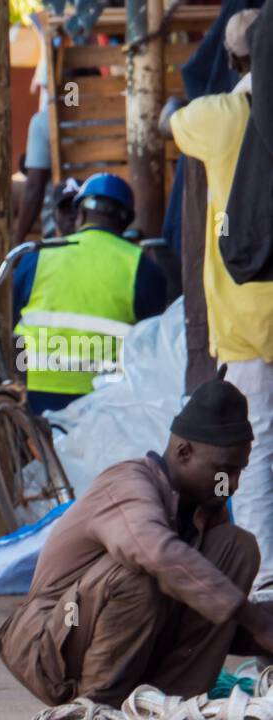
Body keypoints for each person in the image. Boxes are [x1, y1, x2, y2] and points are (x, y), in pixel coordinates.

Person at [0, 378, 273, 711]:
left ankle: (167, 704)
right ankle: (95, 712)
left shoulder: (205, 508)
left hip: (128, 639)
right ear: (184, 452)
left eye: (239, 471)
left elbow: (211, 616)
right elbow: (156, 554)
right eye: (224, 471)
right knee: (141, 572)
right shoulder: (128, 484)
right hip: (52, 646)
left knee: (236, 548)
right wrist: (257, 621)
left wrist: (261, 629)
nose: (233, 484)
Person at [167, 8, 273, 592]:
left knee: (253, 457)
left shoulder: (221, 114)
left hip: (246, 319)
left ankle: (266, 586)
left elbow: (170, 122)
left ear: (234, 60)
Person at [12, 172, 168, 415]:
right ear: (126, 222)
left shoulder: (37, 256)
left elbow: (10, 319)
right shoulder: (142, 268)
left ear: (81, 215)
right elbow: (154, 346)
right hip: (107, 402)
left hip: (35, 394)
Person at [13, 102, 52, 244]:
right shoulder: (116, 112)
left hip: (57, 235)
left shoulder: (44, 121)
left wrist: (18, 240)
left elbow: (35, 187)